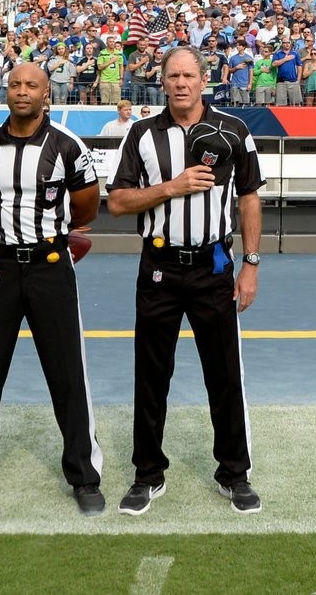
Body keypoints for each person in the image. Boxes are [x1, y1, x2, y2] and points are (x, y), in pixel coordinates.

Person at [0, 63, 106, 516]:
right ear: (5, 91)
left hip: (49, 265)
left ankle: (84, 475)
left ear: (47, 94)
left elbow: (87, 206)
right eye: (15, 84)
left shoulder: (67, 146)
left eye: (31, 85)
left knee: (67, 374)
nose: (22, 91)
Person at [104, 45, 266, 516]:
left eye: (188, 75)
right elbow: (117, 202)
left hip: (213, 268)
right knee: (151, 376)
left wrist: (251, 264)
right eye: (172, 75)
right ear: (163, 81)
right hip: (157, 269)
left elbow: (250, 198)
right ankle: (147, 474)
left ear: (203, 79)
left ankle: (234, 474)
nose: (180, 83)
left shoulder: (233, 131)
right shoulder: (140, 134)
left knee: (224, 376)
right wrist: (171, 187)